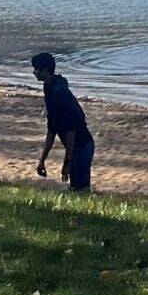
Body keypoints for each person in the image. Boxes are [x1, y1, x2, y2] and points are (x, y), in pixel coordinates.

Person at [32, 52, 94, 192]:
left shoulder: (60, 93)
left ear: (45, 71)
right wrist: (42, 160)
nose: (34, 72)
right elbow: (52, 130)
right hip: (73, 146)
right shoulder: (49, 87)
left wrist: (67, 161)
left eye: (36, 69)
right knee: (74, 187)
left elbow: (71, 130)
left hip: (82, 145)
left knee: (81, 189)